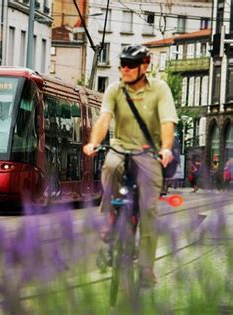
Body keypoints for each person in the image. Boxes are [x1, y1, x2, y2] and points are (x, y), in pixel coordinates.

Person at [83, 45, 178, 287]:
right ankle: (108, 218)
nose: (124, 69)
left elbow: (168, 122)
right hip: (120, 148)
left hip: (149, 153)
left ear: (144, 66)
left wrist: (166, 148)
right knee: (109, 168)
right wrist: (93, 142)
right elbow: (104, 118)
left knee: (149, 211)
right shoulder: (115, 90)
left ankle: (146, 267)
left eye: (130, 65)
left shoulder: (160, 89)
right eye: (122, 64)